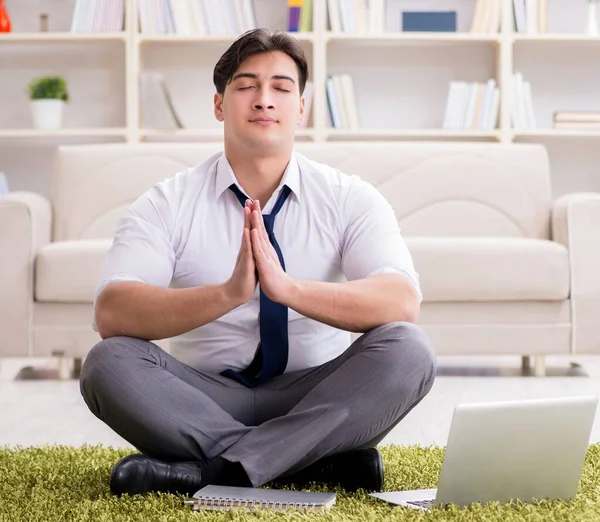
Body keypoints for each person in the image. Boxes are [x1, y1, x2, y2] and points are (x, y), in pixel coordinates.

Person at [80, 28, 436, 498]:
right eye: (246, 86)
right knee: (107, 363)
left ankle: (211, 473)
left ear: (301, 109)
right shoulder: (166, 203)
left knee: (409, 349)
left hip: (314, 397)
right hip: (200, 398)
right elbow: (113, 312)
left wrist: (289, 290)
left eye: (282, 88)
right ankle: (309, 464)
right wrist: (227, 295)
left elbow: (400, 301)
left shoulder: (350, 198)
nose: (264, 100)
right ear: (219, 106)